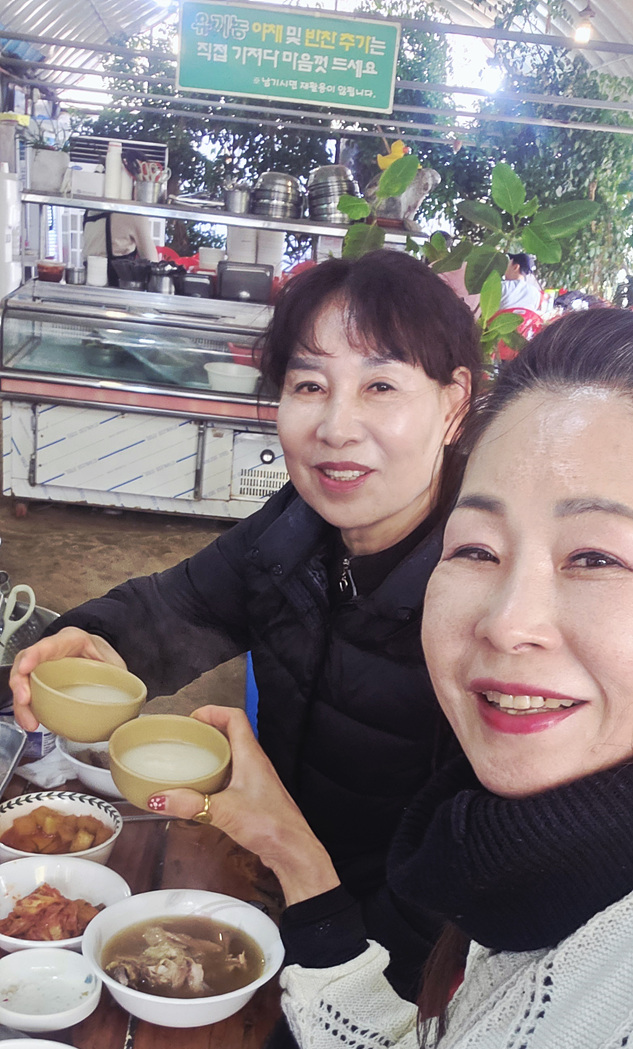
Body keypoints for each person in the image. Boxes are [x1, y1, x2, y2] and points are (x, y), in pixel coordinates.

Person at [148, 307, 633, 1049]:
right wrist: (296, 856)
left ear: (449, 408)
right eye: (476, 548)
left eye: (597, 558)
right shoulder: (509, 872)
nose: (507, 623)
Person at [11, 249, 481, 996]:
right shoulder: (296, 528)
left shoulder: (487, 601)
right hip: (277, 891)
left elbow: (468, 869)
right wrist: (95, 639)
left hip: (392, 963)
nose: (336, 427)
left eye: (381, 386)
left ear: (454, 404)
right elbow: (182, 606)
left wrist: (338, 957)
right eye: (309, 384)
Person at [83, 209, 158, 286]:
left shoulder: (90, 211)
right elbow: (152, 262)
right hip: (119, 288)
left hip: (89, 285)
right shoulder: (133, 213)